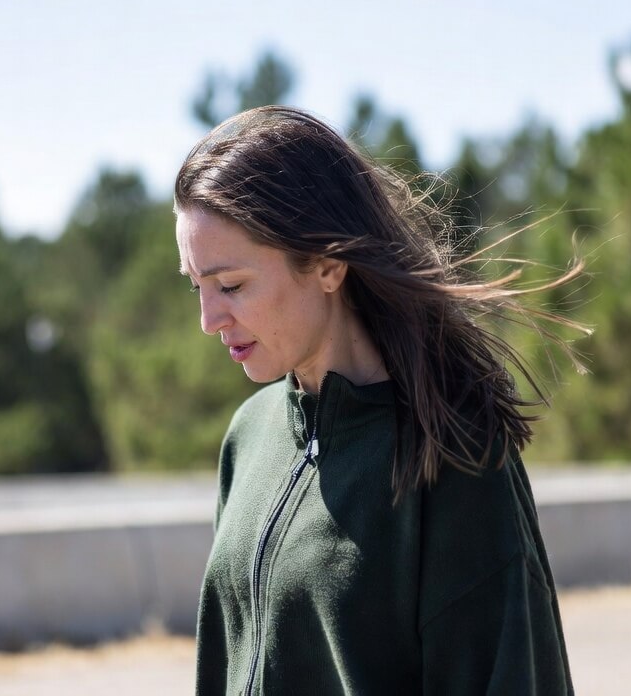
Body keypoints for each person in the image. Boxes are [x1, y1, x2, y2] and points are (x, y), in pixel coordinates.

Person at [174, 105, 583, 695]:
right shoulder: (250, 436)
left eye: (231, 285)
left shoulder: (454, 451)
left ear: (328, 264)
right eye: (197, 287)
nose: (209, 319)